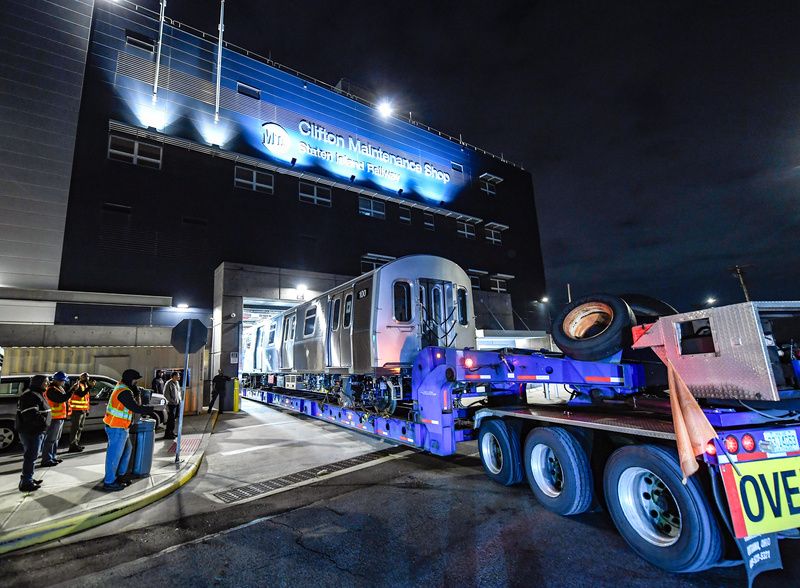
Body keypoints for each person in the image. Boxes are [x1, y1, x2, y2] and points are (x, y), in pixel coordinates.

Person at [102, 369, 156, 491]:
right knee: (114, 456)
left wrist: (136, 392)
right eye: (135, 380)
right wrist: (151, 409)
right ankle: (109, 481)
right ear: (130, 379)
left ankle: (120, 475)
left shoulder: (122, 387)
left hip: (121, 427)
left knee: (127, 450)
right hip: (116, 428)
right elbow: (135, 407)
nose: (136, 382)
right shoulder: (124, 392)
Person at [15, 375, 51, 492]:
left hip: (35, 430)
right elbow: (31, 415)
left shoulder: (36, 393)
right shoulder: (30, 395)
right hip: (31, 431)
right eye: (46, 382)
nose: (48, 384)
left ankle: (28, 478)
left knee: (32, 456)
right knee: (31, 456)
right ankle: (26, 483)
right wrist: (45, 423)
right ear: (39, 383)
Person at [40, 371, 71, 467]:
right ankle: (46, 460)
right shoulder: (51, 390)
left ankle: (52, 457)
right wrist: (72, 390)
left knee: (55, 439)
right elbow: (61, 399)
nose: (64, 383)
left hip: (59, 417)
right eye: (63, 381)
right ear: (58, 380)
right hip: (54, 418)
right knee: (50, 439)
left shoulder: (58, 388)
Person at [68, 372, 91, 453]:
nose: (87, 378)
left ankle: (76, 444)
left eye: (87, 377)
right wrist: (89, 387)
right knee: (75, 429)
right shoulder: (78, 385)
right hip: (76, 411)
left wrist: (87, 410)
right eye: (85, 377)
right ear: (81, 378)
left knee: (79, 428)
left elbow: (86, 400)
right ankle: (72, 446)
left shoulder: (85, 385)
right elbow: (81, 394)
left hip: (82, 410)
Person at [163, 371, 182, 440]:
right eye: (178, 375)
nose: (179, 376)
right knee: (170, 419)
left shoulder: (176, 383)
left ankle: (171, 432)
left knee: (174, 419)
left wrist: (179, 401)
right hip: (171, 405)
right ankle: (168, 434)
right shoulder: (168, 383)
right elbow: (166, 394)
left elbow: (178, 392)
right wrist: (172, 401)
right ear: (174, 376)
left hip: (177, 404)